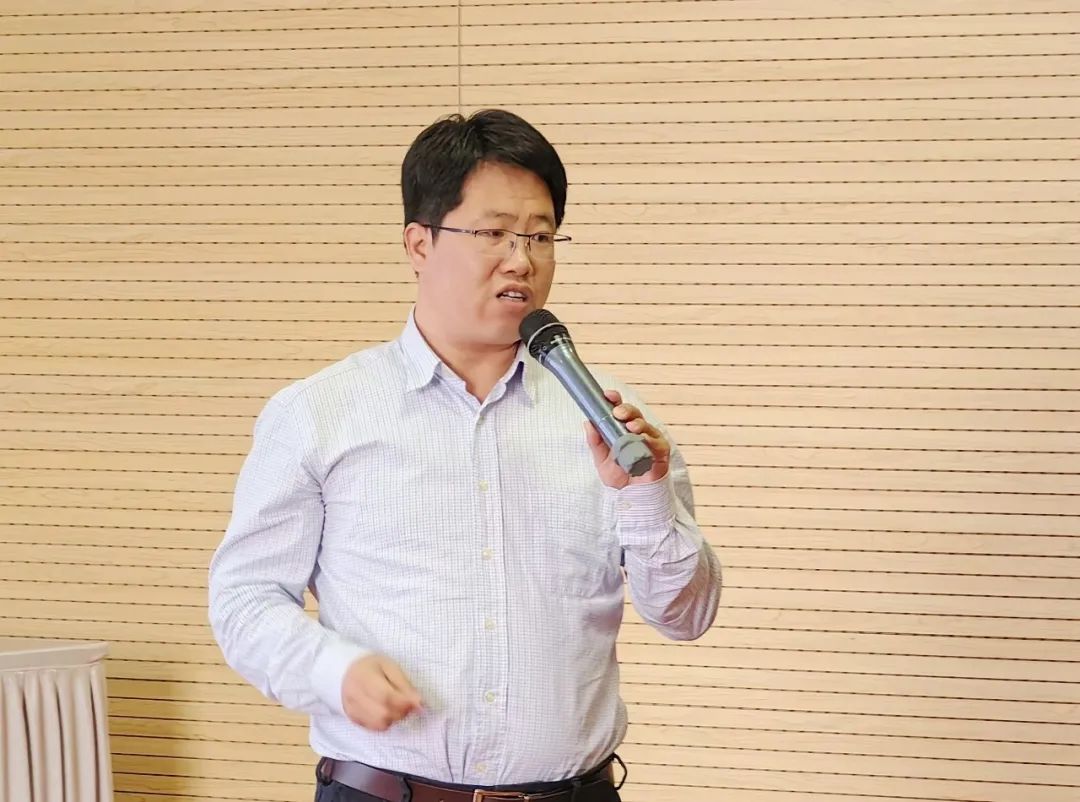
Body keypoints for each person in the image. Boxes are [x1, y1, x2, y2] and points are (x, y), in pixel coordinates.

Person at [208, 108, 722, 802]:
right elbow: (244, 599)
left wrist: (646, 494)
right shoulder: (319, 414)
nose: (522, 259)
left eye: (541, 235)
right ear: (419, 243)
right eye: (493, 233)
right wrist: (330, 670)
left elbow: (685, 617)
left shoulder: (613, 420)